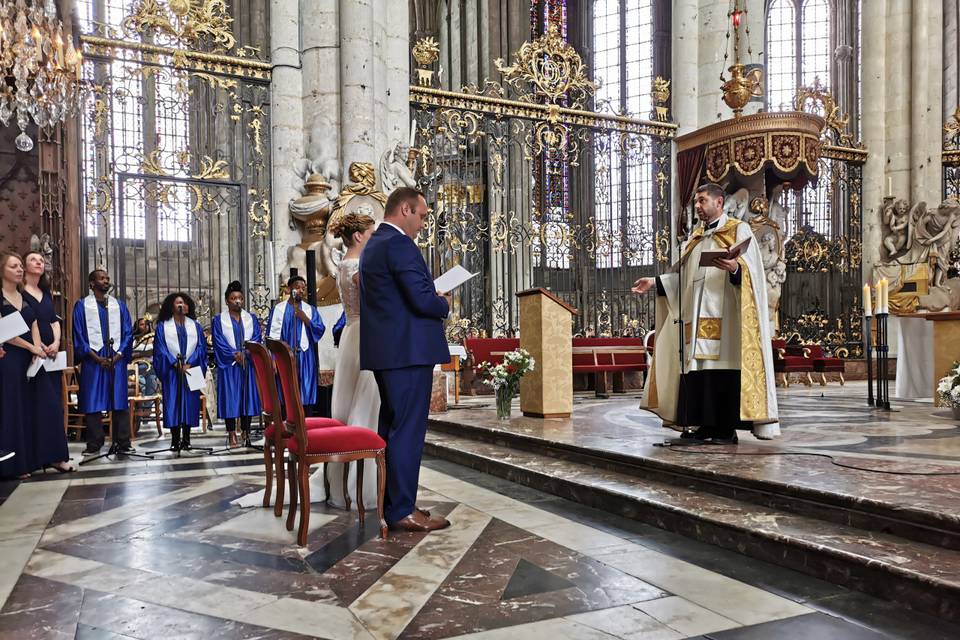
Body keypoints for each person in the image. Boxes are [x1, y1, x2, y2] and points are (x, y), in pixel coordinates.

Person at [633, 183, 779, 444]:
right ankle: (704, 426)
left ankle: (725, 429)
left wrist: (735, 269)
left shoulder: (738, 230)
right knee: (699, 370)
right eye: (696, 202)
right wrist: (655, 282)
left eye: (702, 201)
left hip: (728, 320)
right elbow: (684, 279)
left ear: (719, 203)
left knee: (721, 370)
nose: (698, 207)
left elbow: (753, 274)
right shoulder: (696, 237)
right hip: (695, 317)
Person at [360, 187, 451, 532]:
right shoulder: (398, 244)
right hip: (408, 353)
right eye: (423, 215)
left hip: (391, 353)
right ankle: (400, 511)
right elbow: (421, 301)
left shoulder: (375, 244)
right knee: (407, 433)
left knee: (393, 429)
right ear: (405, 209)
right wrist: (443, 303)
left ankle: (394, 503)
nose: (424, 223)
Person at [325, 212, 380, 510]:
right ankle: (363, 487)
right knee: (366, 407)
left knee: (348, 405)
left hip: (350, 334)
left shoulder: (343, 266)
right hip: (365, 336)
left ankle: (344, 481)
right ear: (359, 236)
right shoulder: (360, 267)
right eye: (371, 234)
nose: (373, 239)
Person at [71, 269, 135, 456]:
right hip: (93, 361)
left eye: (107, 278)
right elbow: (79, 334)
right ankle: (94, 443)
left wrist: (117, 356)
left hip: (117, 360)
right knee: (93, 401)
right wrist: (96, 357)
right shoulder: (82, 306)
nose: (106, 281)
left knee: (119, 400)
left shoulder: (119, 306)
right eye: (101, 278)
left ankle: (122, 442)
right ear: (92, 283)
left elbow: (127, 334)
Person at [23, 251, 72, 472]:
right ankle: (35, 458)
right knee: (37, 406)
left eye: (41, 260)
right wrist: (38, 346)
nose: (39, 263)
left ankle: (56, 456)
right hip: (30, 355)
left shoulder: (45, 293)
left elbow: (54, 321)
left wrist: (56, 341)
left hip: (50, 356)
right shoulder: (20, 292)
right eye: (34, 260)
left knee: (54, 405)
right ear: (24, 266)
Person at [0, 252, 45, 476]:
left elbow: (33, 323)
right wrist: (30, 348)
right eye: (14, 266)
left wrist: (36, 349)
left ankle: (27, 461)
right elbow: (5, 332)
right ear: (2, 271)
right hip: (8, 358)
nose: (19, 270)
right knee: (11, 409)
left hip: (28, 359)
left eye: (20, 266)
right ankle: (11, 465)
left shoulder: (23, 297)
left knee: (26, 408)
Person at [153, 292, 207, 452]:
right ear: (171, 306)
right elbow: (161, 349)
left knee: (190, 404)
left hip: (192, 369)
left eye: (183, 303)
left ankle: (187, 439)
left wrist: (190, 363)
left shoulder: (195, 325)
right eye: (177, 303)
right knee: (173, 404)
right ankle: (175, 440)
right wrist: (174, 363)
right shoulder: (163, 326)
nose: (180, 305)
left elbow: (201, 347)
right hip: (172, 372)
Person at [211, 281, 262, 447]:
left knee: (247, 398)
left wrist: (246, 353)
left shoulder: (251, 319)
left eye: (240, 298)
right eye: (233, 298)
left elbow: (256, 337)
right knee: (231, 399)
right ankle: (232, 433)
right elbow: (218, 341)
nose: (237, 301)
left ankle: (246, 432)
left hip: (247, 364)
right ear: (227, 301)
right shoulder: (219, 320)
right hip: (230, 366)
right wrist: (233, 355)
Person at [266, 275, 325, 411]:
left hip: (305, 356)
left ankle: (306, 424)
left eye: (303, 288)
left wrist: (306, 320)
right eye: (297, 287)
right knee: (287, 391)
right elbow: (271, 337)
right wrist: (273, 359)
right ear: (289, 289)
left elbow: (320, 329)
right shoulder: (279, 310)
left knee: (305, 391)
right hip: (285, 356)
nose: (300, 291)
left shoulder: (309, 310)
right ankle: (289, 425)